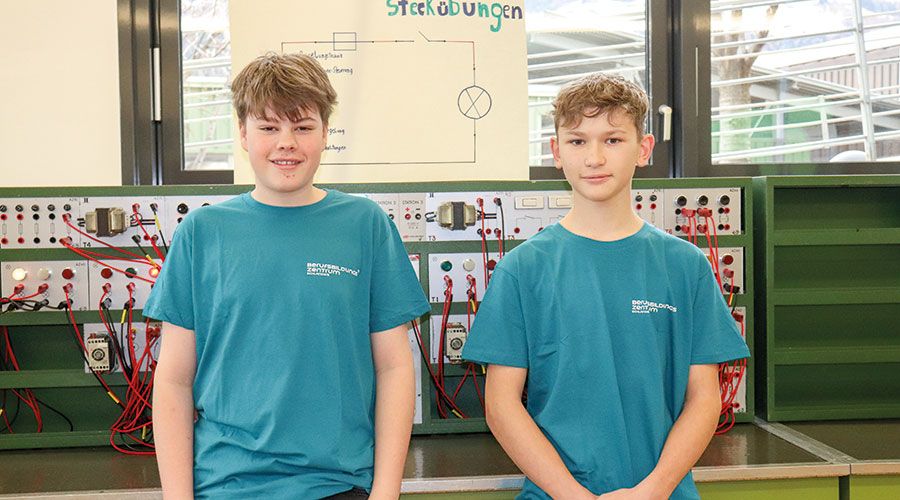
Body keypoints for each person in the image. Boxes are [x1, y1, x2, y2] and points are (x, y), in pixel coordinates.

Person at [146, 52, 429, 499]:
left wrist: (386, 492)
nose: (286, 143)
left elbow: (394, 367)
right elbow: (174, 380)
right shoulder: (202, 234)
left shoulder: (365, 225)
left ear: (325, 133)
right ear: (243, 133)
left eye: (302, 127)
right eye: (268, 127)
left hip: (337, 484)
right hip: (226, 486)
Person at [461, 73, 750, 499]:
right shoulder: (522, 270)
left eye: (612, 140)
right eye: (578, 141)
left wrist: (652, 490)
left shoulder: (685, 267)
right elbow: (501, 406)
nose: (594, 157)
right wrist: (573, 495)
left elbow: (704, 400)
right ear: (556, 152)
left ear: (644, 149)